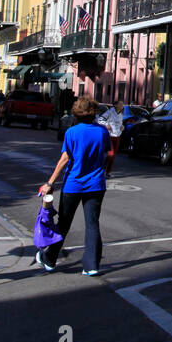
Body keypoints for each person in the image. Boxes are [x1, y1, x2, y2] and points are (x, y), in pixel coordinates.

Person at [38, 95, 112, 275]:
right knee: (92, 223)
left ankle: (50, 259)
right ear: (94, 114)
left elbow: (65, 159)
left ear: (76, 115)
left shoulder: (72, 132)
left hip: (73, 184)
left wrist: (50, 182)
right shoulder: (102, 132)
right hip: (96, 184)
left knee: (63, 222)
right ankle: (92, 265)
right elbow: (108, 154)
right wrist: (105, 171)